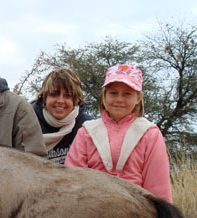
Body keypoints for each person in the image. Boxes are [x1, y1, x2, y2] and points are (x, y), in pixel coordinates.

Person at [65, 64, 172, 203]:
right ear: (104, 95)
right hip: (92, 210)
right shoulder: (87, 132)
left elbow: (158, 186)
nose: (119, 100)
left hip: (138, 212)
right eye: (113, 93)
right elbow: (73, 179)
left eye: (127, 94)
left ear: (138, 98)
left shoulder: (150, 133)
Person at [31, 68, 92, 164]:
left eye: (67, 96)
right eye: (54, 94)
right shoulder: (27, 121)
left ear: (75, 100)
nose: (60, 101)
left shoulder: (88, 127)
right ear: (44, 98)